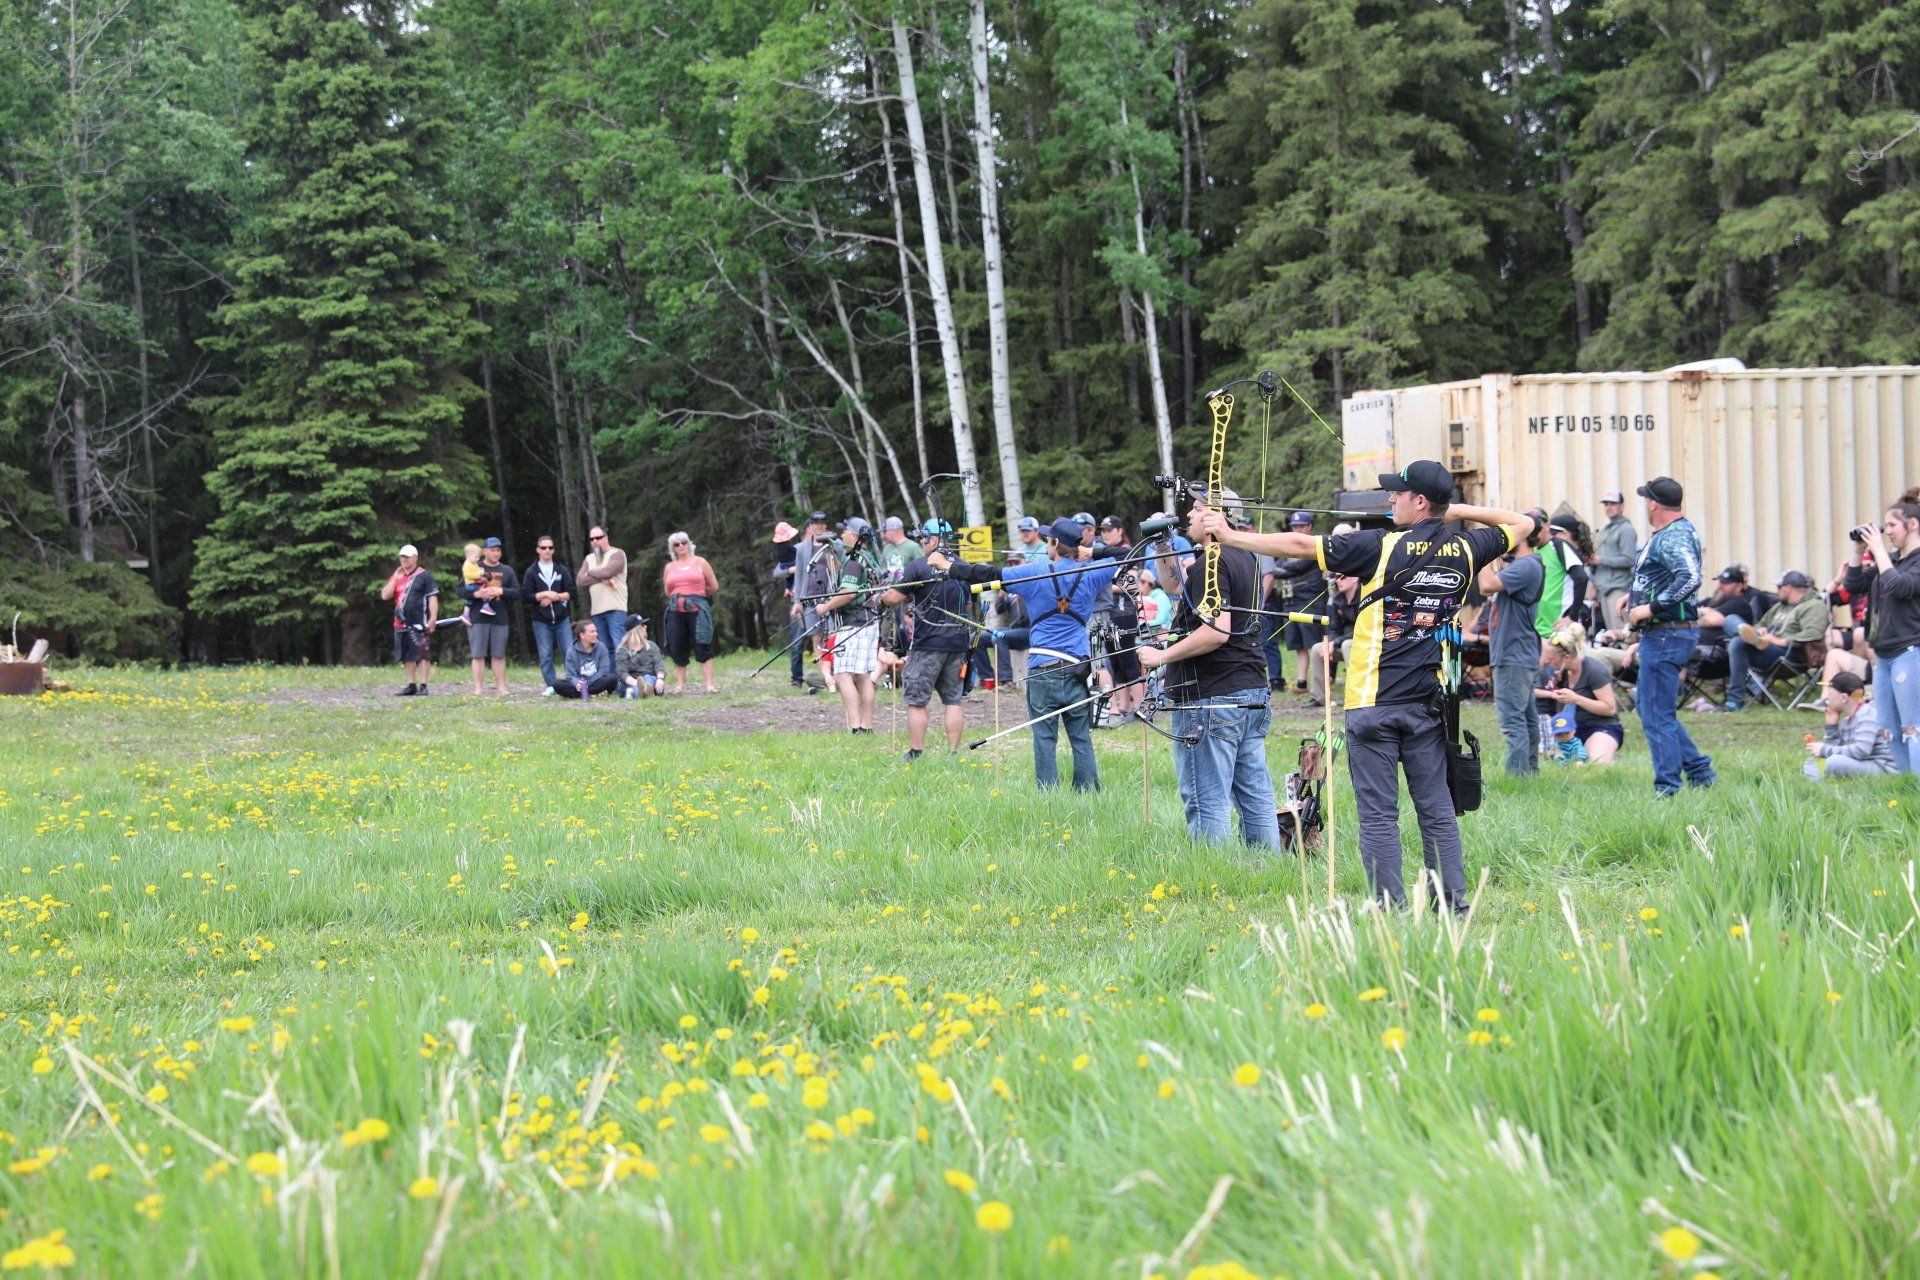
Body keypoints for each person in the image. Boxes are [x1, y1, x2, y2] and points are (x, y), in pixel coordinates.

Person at [1205, 460, 1533, 912]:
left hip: (1371, 704)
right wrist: (1451, 513)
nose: (1390, 499)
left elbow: (1301, 544)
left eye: (1398, 494)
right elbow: (1524, 522)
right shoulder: (1467, 548)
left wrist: (1230, 536)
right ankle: (1453, 906)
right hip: (1427, 705)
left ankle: (1389, 908)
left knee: (1379, 814)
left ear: (1419, 501)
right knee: (1436, 811)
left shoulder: (1381, 545)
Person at [937, 518, 1123, 790]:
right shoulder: (1092, 573)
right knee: (1081, 737)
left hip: (1042, 667)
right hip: (1077, 668)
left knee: (1044, 738)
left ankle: (1048, 794)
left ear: (1055, 543)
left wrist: (947, 566)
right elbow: (1127, 554)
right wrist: (1090, 553)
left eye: (1049, 539)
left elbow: (987, 574)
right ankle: (1088, 793)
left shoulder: (1034, 573)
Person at [1138, 494, 1278, 848]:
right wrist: (1162, 545)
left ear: (1219, 517)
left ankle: (1215, 880)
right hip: (1249, 691)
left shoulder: (1211, 565)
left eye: (1199, 509)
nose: (1190, 514)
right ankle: (1267, 874)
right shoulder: (1244, 557)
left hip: (1211, 696)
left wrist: (1162, 656)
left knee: (1206, 797)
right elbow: (1175, 586)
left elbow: (1216, 631)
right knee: (1254, 795)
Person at [1625, 476, 1718, 797]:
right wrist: (1634, 597)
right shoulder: (1671, 533)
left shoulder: (1674, 535)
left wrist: (1650, 607)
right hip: (1666, 634)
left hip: (1666, 634)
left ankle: (1668, 788)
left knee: (1655, 713)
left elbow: (1690, 577)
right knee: (1654, 708)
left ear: (1653, 503)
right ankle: (1700, 771)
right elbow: (1663, 575)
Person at [881, 519, 972, 759]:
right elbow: (970, 604)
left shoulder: (919, 566)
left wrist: (880, 597)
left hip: (927, 644)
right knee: (953, 700)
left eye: (924, 539)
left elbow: (893, 597)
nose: (922, 544)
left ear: (933, 539)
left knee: (917, 700)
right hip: (958, 643)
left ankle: (916, 752)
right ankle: (953, 753)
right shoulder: (963, 567)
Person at [1859, 487, 1920, 775]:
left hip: (1910, 651)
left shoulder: (1916, 561)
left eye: (1892, 525)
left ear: (1913, 525)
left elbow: (1900, 586)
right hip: (1883, 655)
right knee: (1888, 728)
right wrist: (1860, 551)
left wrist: (1880, 552)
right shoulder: (1890, 560)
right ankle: (1907, 784)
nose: (1887, 532)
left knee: (1914, 726)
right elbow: (1854, 585)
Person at [1477, 526, 1545, 775]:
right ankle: (1528, 775)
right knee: (1525, 720)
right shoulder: (1524, 565)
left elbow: (1486, 585)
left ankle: (1517, 778)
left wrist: (1482, 551)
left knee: (1513, 722)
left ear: (1524, 535)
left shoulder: (1526, 565)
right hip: (1518, 653)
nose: (1504, 538)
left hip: (1513, 654)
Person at [1712, 569, 1827, 711]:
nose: (1777, 591)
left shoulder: (1814, 606)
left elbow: (1813, 633)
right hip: (1766, 649)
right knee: (1730, 620)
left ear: (1788, 588)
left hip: (1790, 656)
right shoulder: (1779, 606)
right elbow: (1762, 623)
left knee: (1737, 642)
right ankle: (1752, 637)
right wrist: (1760, 630)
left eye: (1779, 587)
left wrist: (1779, 641)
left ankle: (1734, 701)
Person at [814, 517, 883, 734]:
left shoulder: (854, 561)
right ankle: (866, 726)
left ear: (854, 536)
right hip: (870, 621)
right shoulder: (867, 557)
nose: (842, 535)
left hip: (854, 624)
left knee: (843, 674)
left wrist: (825, 607)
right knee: (862, 676)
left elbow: (848, 592)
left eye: (845, 532)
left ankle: (855, 726)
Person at [1538, 621, 1624, 765]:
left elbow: (1610, 708)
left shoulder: (1594, 671)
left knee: (1596, 763)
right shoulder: (1562, 673)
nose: (1547, 662)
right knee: (1558, 762)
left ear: (1566, 658)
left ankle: (1606, 752)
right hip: (1571, 729)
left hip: (1601, 726)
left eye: (1552, 659)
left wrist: (1576, 699)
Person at [1802, 671, 1895, 778]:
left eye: (1830, 694)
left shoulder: (1866, 715)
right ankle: (1820, 779)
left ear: (1844, 698)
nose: (1827, 698)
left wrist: (1824, 750)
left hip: (1882, 767)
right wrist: (1831, 725)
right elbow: (1841, 750)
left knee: (1833, 762)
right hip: (1866, 762)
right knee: (1815, 761)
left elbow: (1861, 751)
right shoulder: (1848, 720)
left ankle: (1819, 779)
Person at [661, 531, 719, 694]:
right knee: (677, 645)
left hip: (697, 609)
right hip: (675, 610)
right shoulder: (669, 567)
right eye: (676, 544)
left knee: (702, 643)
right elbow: (668, 590)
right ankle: (679, 686)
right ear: (672, 548)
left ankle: (709, 685)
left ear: (689, 543)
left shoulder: (701, 562)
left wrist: (696, 595)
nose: (681, 546)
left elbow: (714, 586)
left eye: (683, 542)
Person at [462, 537, 519, 696]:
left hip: (500, 617)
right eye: (492, 550)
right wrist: (476, 593)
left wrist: (502, 591)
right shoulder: (474, 566)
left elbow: (517, 592)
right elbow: (461, 590)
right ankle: (478, 688)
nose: (496, 553)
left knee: (499, 654)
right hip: (478, 617)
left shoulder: (507, 570)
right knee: (478, 654)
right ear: (484, 551)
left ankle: (501, 687)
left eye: (498, 550)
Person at [380, 544, 439, 696]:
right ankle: (411, 684)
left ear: (415, 558)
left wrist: (433, 617)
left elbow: (432, 598)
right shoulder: (397, 576)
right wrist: (395, 579)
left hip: (419, 621)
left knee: (422, 654)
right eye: (402, 557)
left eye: (407, 557)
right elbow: (385, 596)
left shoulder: (424, 576)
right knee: (406, 655)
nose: (404, 560)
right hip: (400, 622)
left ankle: (424, 685)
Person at [522, 535, 575, 694]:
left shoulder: (561, 569)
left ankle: (572, 683)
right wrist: (542, 595)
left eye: (550, 548)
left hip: (562, 619)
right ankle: (552, 686)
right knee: (545, 655)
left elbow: (571, 592)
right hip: (541, 620)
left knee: (569, 652)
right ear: (538, 550)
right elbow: (526, 595)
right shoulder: (532, 572)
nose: (547, 550)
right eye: (544, 548)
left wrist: (556, 597)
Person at [791, 511, 834, 688]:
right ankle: (822, 675)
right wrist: (797, 601)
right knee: (815, 637)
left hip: (830, 596)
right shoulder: (802, 548)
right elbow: (799, 574)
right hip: (809, 596)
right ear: (811, 525)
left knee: (831, 634)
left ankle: (832, 671)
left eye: (823, 523)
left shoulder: (833, 544)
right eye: (816, 523)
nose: (820, 526)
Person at [578, 526, 629, 650]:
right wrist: (601, 577)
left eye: (598, 538)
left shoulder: (617, 553)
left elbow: (608, 572)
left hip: (616, 609)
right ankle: (609, 671)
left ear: (606, 538)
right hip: (597, 611)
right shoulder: (589, 558)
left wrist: (590, 572)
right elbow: (580, 580)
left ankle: (623, 670)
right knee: (604, 648)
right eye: (592, 539)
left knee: (620, 646)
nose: (595, 541)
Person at [1594, 491, 1637, 631]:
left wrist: (1600, 560)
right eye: (1606, 504)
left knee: (1621, 633)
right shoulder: (1605, 529)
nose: (1608, 507)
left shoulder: (1626, 529)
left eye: (1613, 503)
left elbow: (1629, 559)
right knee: (1611, 635)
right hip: (1604, 589)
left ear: (1622, 506)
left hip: (1618, 588)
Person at [552, 618, 618, 698]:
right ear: (582, 635)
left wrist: (587, 683)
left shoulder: (601, 647)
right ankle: (593, 693)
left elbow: (604, 671)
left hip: (596, 682)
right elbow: (570, 675)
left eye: (596, 631)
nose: (596, 634)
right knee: (557, 684)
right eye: (592, 632)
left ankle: (583, 694)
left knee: (612, 678)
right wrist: (577, 683)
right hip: (580, 685)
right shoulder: (571, 651)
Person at [617, 614, 667, 698]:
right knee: (635, 690)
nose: (646, 627)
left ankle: (647, 689)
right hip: (632, 682)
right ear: (636, 630)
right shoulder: (623, 650)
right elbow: (623, 674)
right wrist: (638, 684)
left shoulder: (651, 646)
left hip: (653, 682)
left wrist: (660, 679)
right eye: (643, 625)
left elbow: (659, 666)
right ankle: (645, 692)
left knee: (648, 678)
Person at [459, 542, 483, 626]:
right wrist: (479, 574)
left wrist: (480, 571)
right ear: (469, 556)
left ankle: (465, 614)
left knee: (470, 601)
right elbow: (468, 575)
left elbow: (476, 570)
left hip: (475, 583)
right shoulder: (466, 565)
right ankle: (486, 605)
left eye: (478, 557)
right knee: (483, 591)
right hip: (470, 585)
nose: (478, 559)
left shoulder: (474, 563)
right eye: (476, 557)